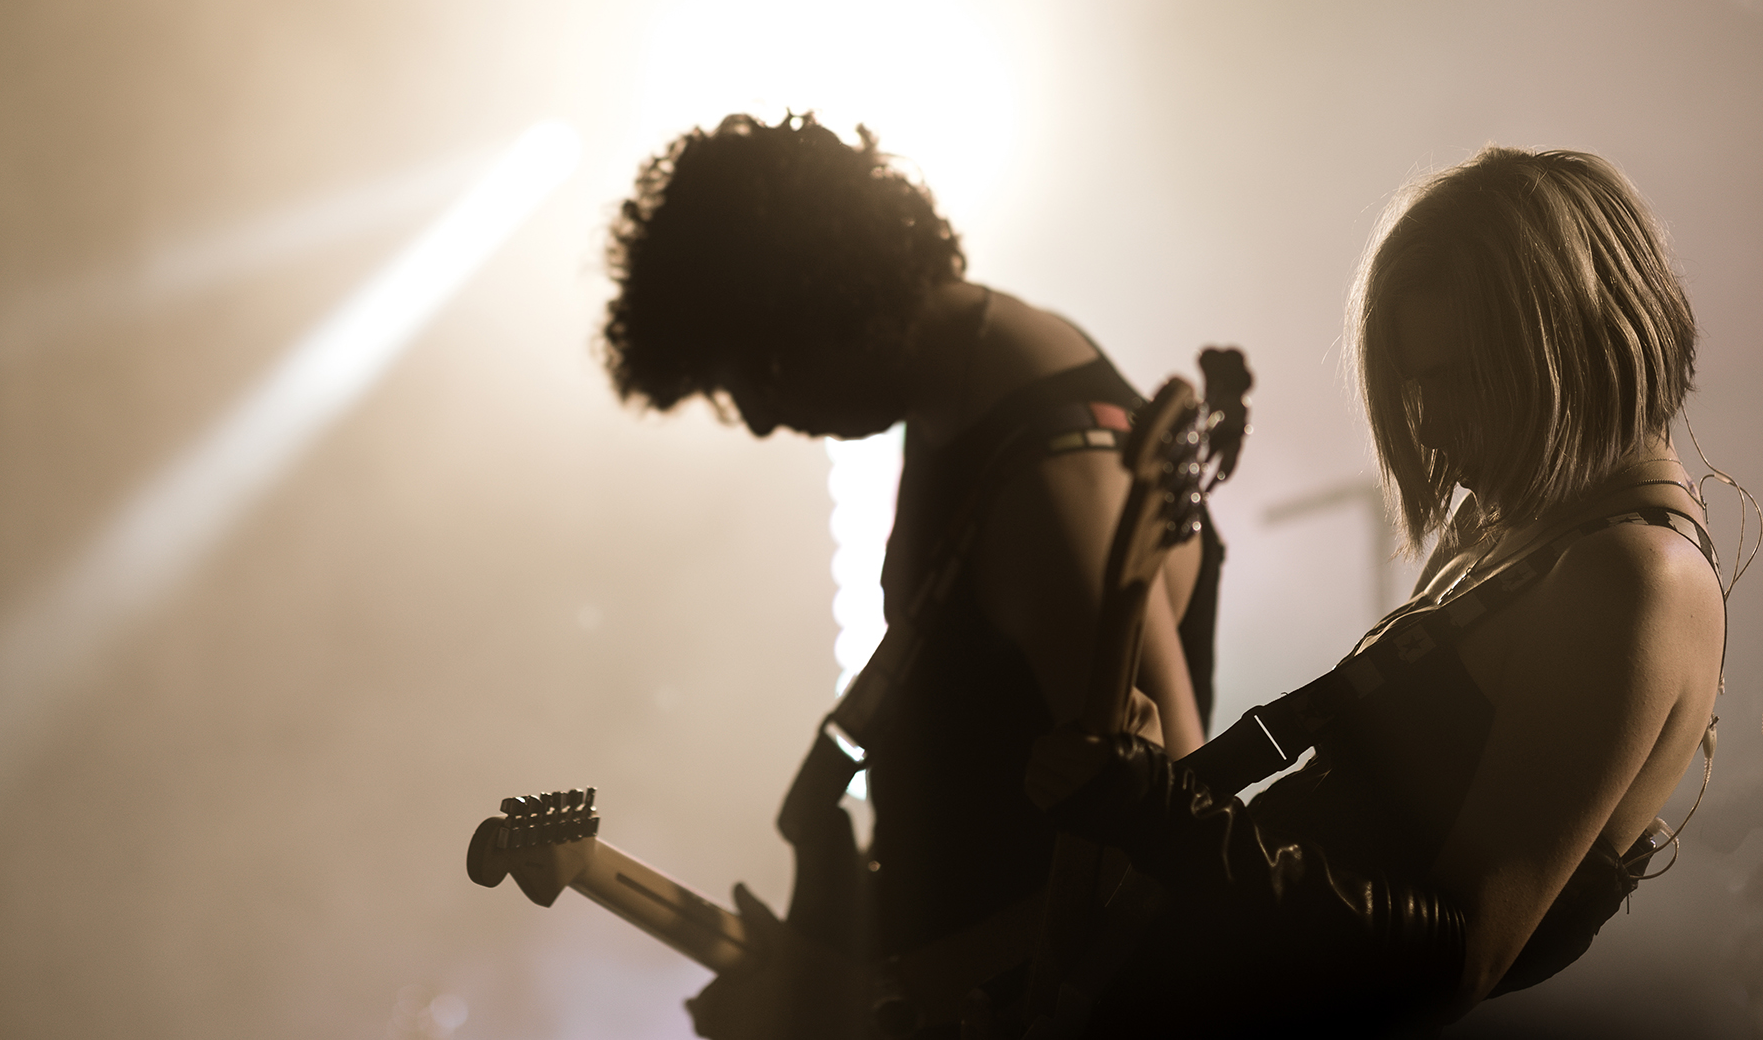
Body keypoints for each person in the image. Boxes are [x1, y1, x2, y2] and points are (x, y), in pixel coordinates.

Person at [1027, 147, 1731, 1035]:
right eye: (1414, 382)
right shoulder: (1514, 531)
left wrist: (1159, 815)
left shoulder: (1634, 576)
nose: (1427, 422)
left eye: (1462, 377)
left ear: (1576, 345)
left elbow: (1454, 958)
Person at [600, 112, 1222, 1038]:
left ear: (813, 304)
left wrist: (880, 998)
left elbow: (1176, 848)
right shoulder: (966, 398)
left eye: (754, 378)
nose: (762, 419)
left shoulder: (1050, 476)